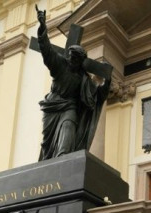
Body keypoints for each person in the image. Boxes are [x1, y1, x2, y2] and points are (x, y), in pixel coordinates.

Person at [36, 7, 110, 161]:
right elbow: (46, 50)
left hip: (69, 107)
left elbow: (96, 96)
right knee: (47, 143)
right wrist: (43, 26)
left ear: (80, 60)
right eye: (70, 56)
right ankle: (49, 160)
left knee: (68, 125)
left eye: (75, 58)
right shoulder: (59, 65)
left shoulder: (83, 78)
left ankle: (63, 158)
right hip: (52, 106)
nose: (71, 59)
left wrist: (107, 82)